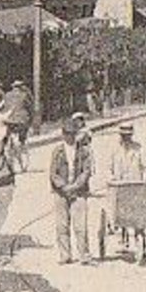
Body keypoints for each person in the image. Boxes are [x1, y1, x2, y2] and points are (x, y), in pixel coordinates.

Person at [49, 113, 95, 264]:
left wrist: (75, 186)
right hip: (61, 192)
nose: (69, 137)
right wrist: (64, 187)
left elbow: (86, 171)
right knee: (62, 225)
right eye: (67, 133)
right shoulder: (57, 151)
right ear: (62, 134)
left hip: (79, 191)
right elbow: (53, 173)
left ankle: (84, 255)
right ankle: (65, 255)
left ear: (76, 134)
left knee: (80, 225)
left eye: (72, 134)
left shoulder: (84, 151)